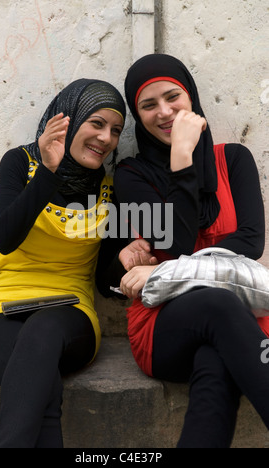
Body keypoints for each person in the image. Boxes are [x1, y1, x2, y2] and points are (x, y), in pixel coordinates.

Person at [114, 54, 269, 448]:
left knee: (216, 364)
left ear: (191, 98)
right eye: (148, 105)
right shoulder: (132, 175)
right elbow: (176, 242)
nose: (164, 112)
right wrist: (181, 158)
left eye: (172, 97)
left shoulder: (233, 159)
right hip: (163, 324)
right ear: (138, 114)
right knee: (218, 304)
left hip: (237, 318)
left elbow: (250, 243)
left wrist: (165, 270)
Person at [0, 78, 127, 448]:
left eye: (116, 130)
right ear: (67, 120)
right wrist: (48, 171)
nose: (106, 138)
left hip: (71, 314)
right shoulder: (19, 163)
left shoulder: (108, 189)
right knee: (42, 387)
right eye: (97, 123)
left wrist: (126, 260)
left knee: (41, 334)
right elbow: (5, 239)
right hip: (2, 308)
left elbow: (107, 285)